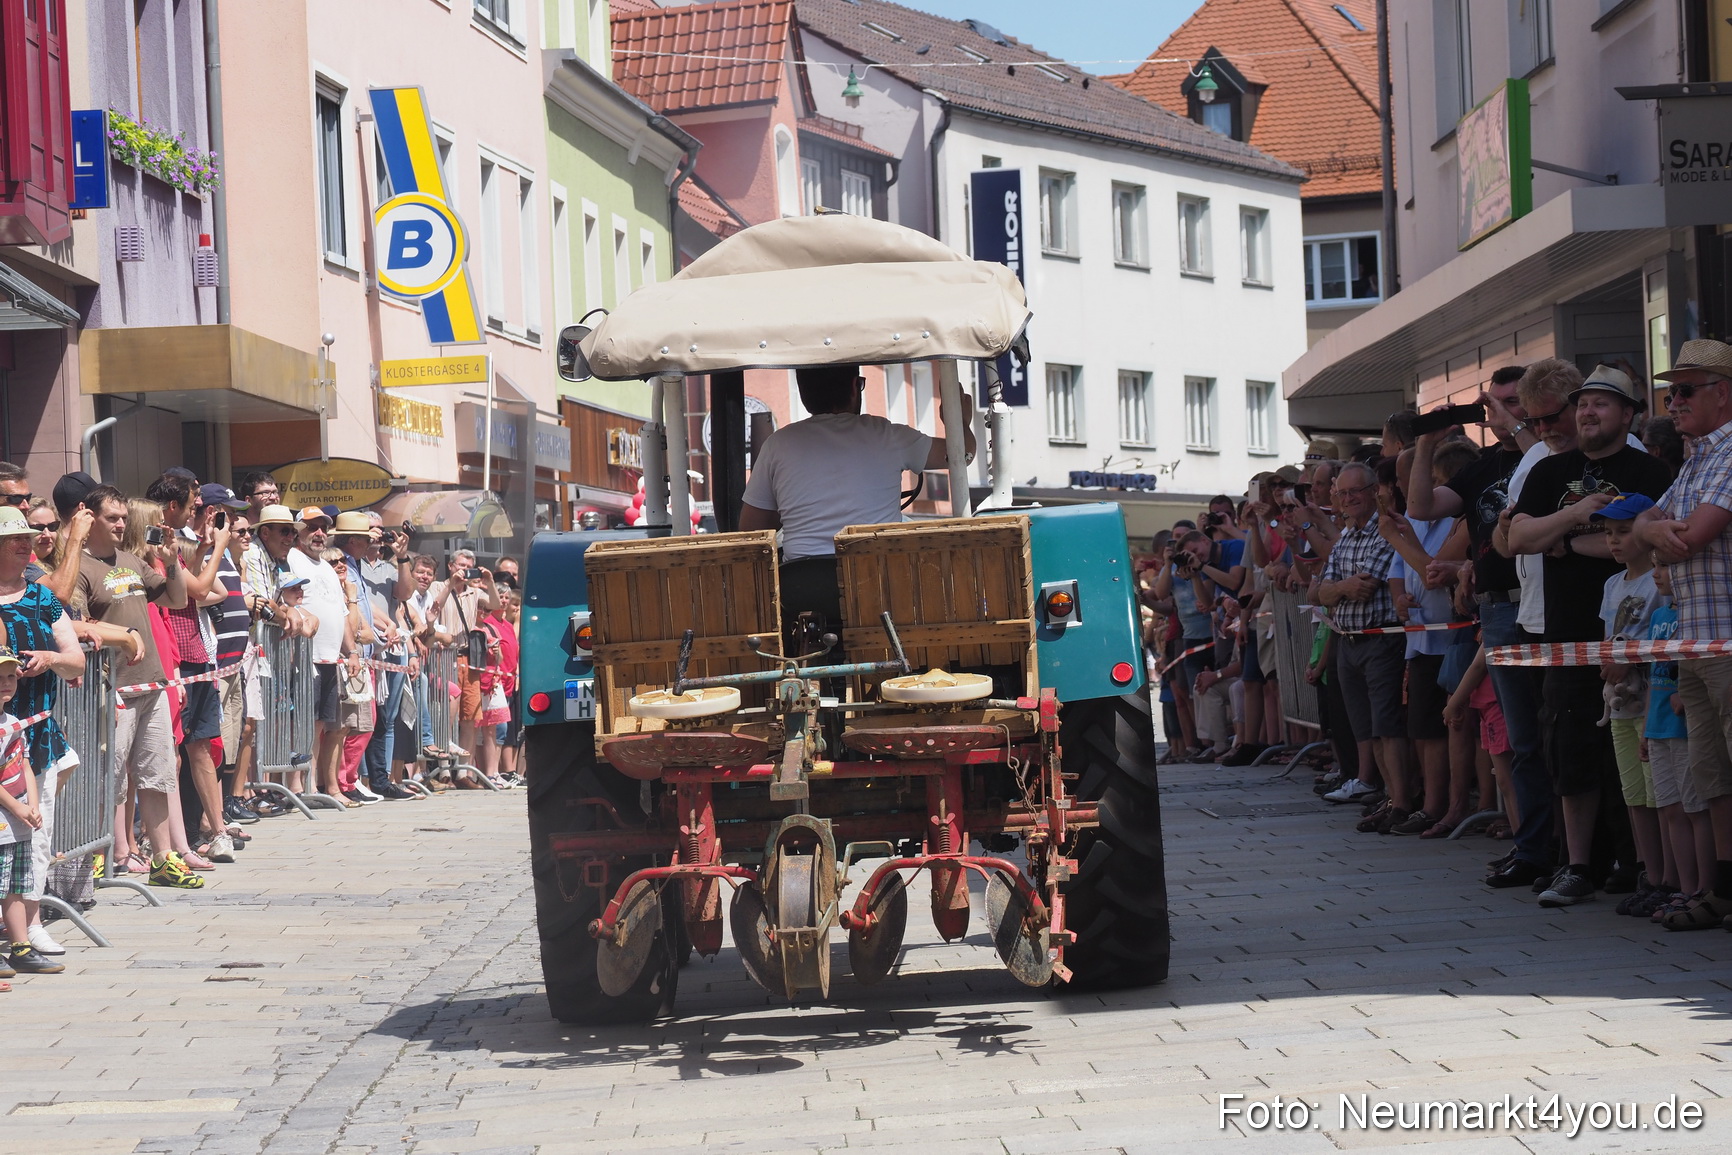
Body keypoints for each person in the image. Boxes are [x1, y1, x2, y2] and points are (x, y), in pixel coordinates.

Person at [1509, 366, 1673, 907]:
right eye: (1582, 404)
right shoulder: (1553, 470)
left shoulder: (1649, 471)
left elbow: (1646, 545)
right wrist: (1580, 513)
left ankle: (1641, 865)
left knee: (1636, 756)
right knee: (1570, 750)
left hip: (1639, 636)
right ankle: (1576, 865)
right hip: (1568, 632)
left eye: (1602, 404)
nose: (1587, 412)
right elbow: (1517, 537)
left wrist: (1567, 542)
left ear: (1628, 415)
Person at [739, 363, 974, 637]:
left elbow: (751, 529)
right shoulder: (887, 434)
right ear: (854, 387)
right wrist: (959, 422)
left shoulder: (776, 445)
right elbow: (962, 456)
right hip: (877, 583)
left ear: (803, 392)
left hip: (802, 589)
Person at [1628, 339, 1732, 930]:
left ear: (1723, 393)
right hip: (1697, 642)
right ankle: (1722, 890)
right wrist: (1658, 531)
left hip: (1724, 642)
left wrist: (1661, 532)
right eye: (1670, 392)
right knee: (1712, 774)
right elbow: (1645, 520)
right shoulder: (1697, 458)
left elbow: (1695, 532)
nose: (1673, 402)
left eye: (1686, 390)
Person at [75, 485, 201, 888]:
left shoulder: (130, 561)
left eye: (123, 518)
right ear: (90, 517)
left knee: (157, 776)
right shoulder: (80, 566)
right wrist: (123, 636)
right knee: (109, 778)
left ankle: (164, 859)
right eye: (112, 517)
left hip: (152, 683)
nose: (120, 524)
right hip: (112, 690)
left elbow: (176, 600)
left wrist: (172, 562)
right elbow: (77, 623)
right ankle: (96, 855)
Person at [0, 507, 85, 956]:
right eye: (14, 538)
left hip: (35, 739)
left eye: (26, 537)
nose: (25, 543)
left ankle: (29, 925)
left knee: (35, 833)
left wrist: (50, 659)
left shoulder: (43, 598)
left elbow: (77, 659)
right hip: (0, 737)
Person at [1317, 461, 1410, 831]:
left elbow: (1365, 586)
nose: (1348, 498)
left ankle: (1402, 802)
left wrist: (1336, 590)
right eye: (1342, 493)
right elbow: (1323, 591)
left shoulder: (1385, 530)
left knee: (1387, 727)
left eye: (1355, 491)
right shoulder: (1345, 536)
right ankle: (1390, 799)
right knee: (1367, 730)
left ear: (1374, 491)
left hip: (1381, 639)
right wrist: (1339, 589)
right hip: (1348, 642)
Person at [1592, 496, 1665, 913]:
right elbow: (1607, 638)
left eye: (1622, 531)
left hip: (1650, 699)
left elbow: (1662, 639)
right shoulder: (1612, 584)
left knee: (1659, 796)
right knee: (1634, 795)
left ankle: (1668, 877)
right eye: (1608, 533)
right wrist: (1610, 661)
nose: (1615, 541)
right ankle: (1649, 873)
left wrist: (1627, 659)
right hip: (1619, 704)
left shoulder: (1655, 582)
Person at [338, 513, 415, 801]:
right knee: (356, 720)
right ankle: (352, 780)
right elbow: (356, 603)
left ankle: (377, 779)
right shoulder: (344, 562)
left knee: (383, 718)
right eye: (370, 529)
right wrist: (376, 631)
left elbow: (405, 593)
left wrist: (402, 557)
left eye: (380, 529)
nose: (376, 534)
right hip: (361, 650)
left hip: (383, 649)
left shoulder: (384, 565)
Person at [0, 646, 65, 979]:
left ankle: (21, 946)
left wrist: (34, 805)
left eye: (10, 676)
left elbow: (24, 763)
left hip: (18, 822)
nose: (6, 683)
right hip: (6, 818)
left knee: (14, 886)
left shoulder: (12, 722)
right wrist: (17, 806)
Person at [287, 507, 347, 801]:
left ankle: (311, 783)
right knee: (303, 721)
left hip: (330, 658)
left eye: (323, 527)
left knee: (321, 723)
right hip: (304, 656)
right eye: (311, 527)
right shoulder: (292, 558)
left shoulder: (326, 566)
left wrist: (354, 650)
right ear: (298, 531)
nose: (319, 533)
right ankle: (297, 784)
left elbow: (341, 611)